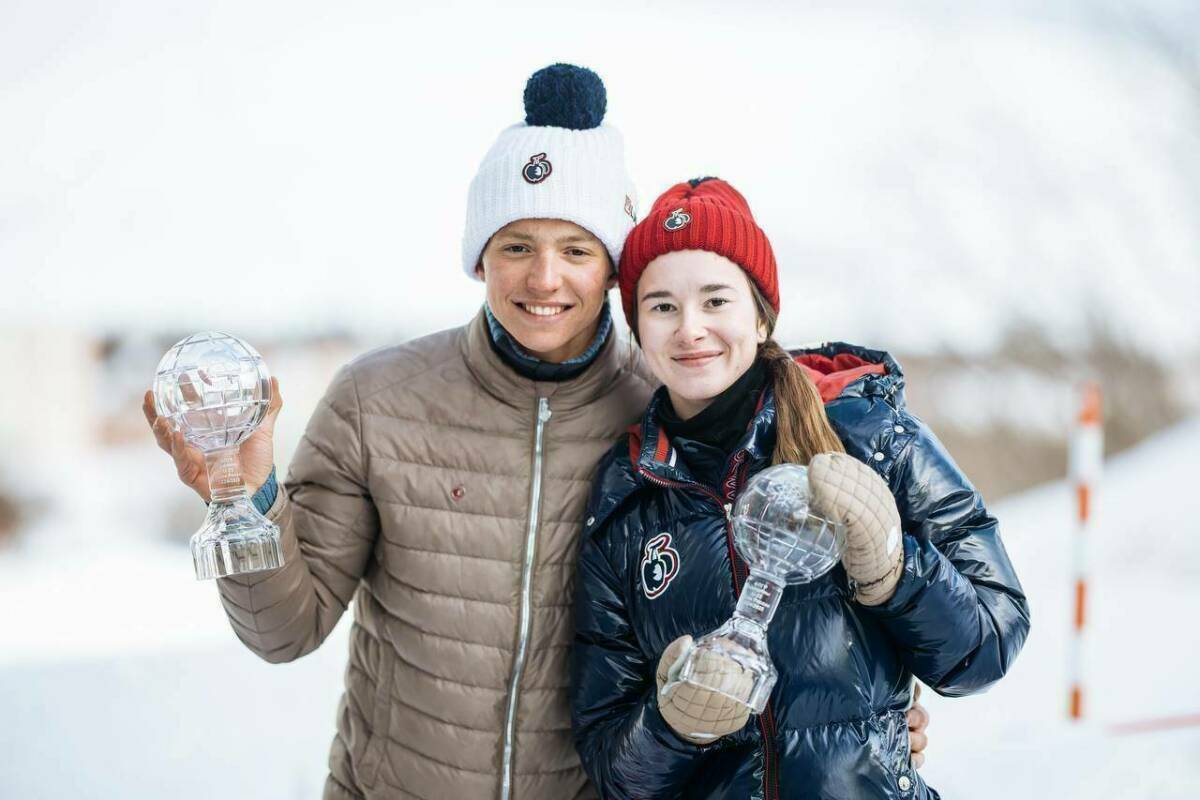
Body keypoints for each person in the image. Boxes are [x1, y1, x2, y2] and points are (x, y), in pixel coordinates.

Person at [143, 66, 928, 800]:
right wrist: (244, 500)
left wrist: (876, 717)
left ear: (613, 270)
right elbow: (285, 631)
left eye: (576, 250)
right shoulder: (374, 400)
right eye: (516, 246)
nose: (544, 278)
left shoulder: (669, 412)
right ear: (480, 259)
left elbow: (765, 600)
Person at [571, 177, 1029, 799]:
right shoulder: (626, 496)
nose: (690, 329)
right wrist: (673, 725)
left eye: (715, 300)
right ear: (637, 329)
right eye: (662, 307)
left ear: (761, 316)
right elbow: (614, 770)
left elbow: (987, 648)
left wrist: (894, 571)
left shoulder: (871, 434)